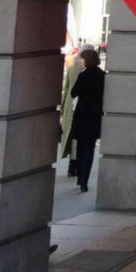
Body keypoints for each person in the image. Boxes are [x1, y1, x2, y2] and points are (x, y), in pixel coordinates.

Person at [70, 48, 105, 192]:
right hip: (95, 116)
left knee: (80, 146)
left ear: (87, 60)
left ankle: (79, 176)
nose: (80, 61)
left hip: (82, 114)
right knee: (90, 149)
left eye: (82, 59)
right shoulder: (102, 76)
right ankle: (85, 180)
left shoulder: (83, 76)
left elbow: (73, 93)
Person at [58, 46, 86, 177]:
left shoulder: (71, 69)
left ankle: (72, 164)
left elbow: (67, 89)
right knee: (77, 138)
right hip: (80, 105)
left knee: (70, 134)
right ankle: (75, 165)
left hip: (70, 104)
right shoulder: (85, 70)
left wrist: (63, 107)